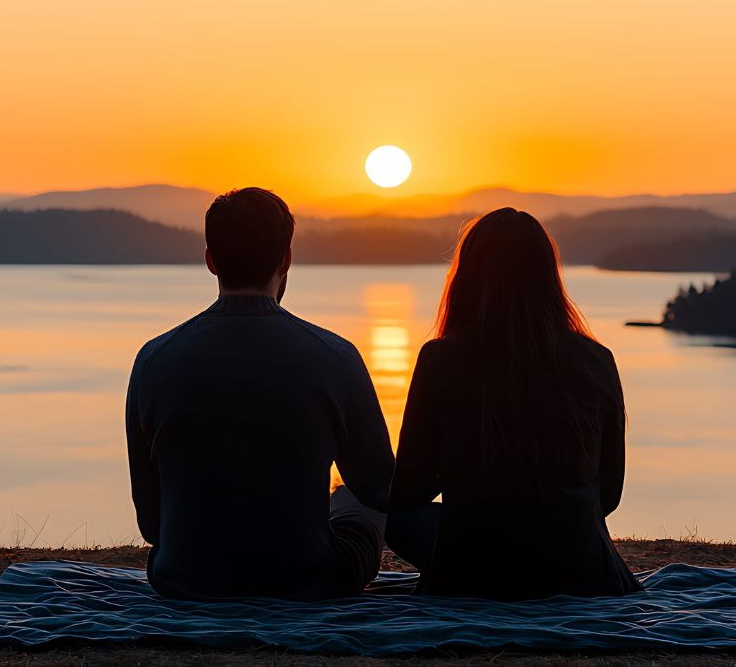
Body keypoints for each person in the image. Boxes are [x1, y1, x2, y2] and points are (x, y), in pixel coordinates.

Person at [126, 187, 395, 600]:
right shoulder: (335, 357)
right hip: (309, 581)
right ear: (286, 259)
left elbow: (151, 524)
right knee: (352, 497)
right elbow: (379, 487)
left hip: (184, 579)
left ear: (210, 260)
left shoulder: (153, 359)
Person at [386, 207, 639, 600]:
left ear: (467, 278)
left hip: (471, 574)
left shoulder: (440, 359)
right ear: (549, 277)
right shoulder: (596, 359)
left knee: (379, 511)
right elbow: (608, 496)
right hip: (585, 574)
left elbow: (407, 495)